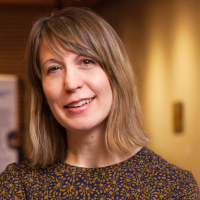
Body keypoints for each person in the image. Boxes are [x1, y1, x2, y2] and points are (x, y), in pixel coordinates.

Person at [0, 7, 199, 199]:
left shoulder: (175, 187)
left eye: (86, 62)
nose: (71, 83)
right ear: (41, 90)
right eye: (54, 68)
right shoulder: (19, 185)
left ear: (115, 74)